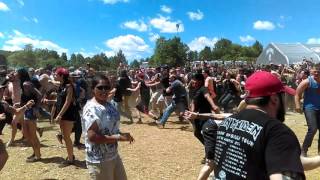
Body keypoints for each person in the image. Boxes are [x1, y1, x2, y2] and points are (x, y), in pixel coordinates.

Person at [212, 71, 320, 180]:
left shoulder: (226, 124)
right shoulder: (276, 132)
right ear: (274, 99)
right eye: (283, 96)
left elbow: (283, 157)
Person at [82, 74, 134, 180]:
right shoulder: (92, 109)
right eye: (100, 87)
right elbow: (92, 137)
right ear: (93, 89)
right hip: (99, 160)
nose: (104, 90)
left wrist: (121, 134)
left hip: (113, 155)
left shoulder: (108, 104)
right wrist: (118, 137)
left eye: (107, 87)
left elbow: (111, 129)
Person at [54, 67, 79, 167]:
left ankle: (70, 159)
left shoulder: (69, 86)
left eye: (56, 74)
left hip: (68, 114)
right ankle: (70, 156)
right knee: (65, 136)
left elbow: (68, 101)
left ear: (61, 76)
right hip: (63, 114)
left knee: (66, 137)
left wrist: (59, 115)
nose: (55, 76)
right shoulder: (61, 85)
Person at [295, 65, 320, 157]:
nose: (316, 73)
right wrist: (297, 105)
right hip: (309, 108)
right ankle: (304, 150)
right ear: (312, 71)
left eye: (319, 71)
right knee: (313, 129)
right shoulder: (307, 81)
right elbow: (297, 93)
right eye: (315, 71)